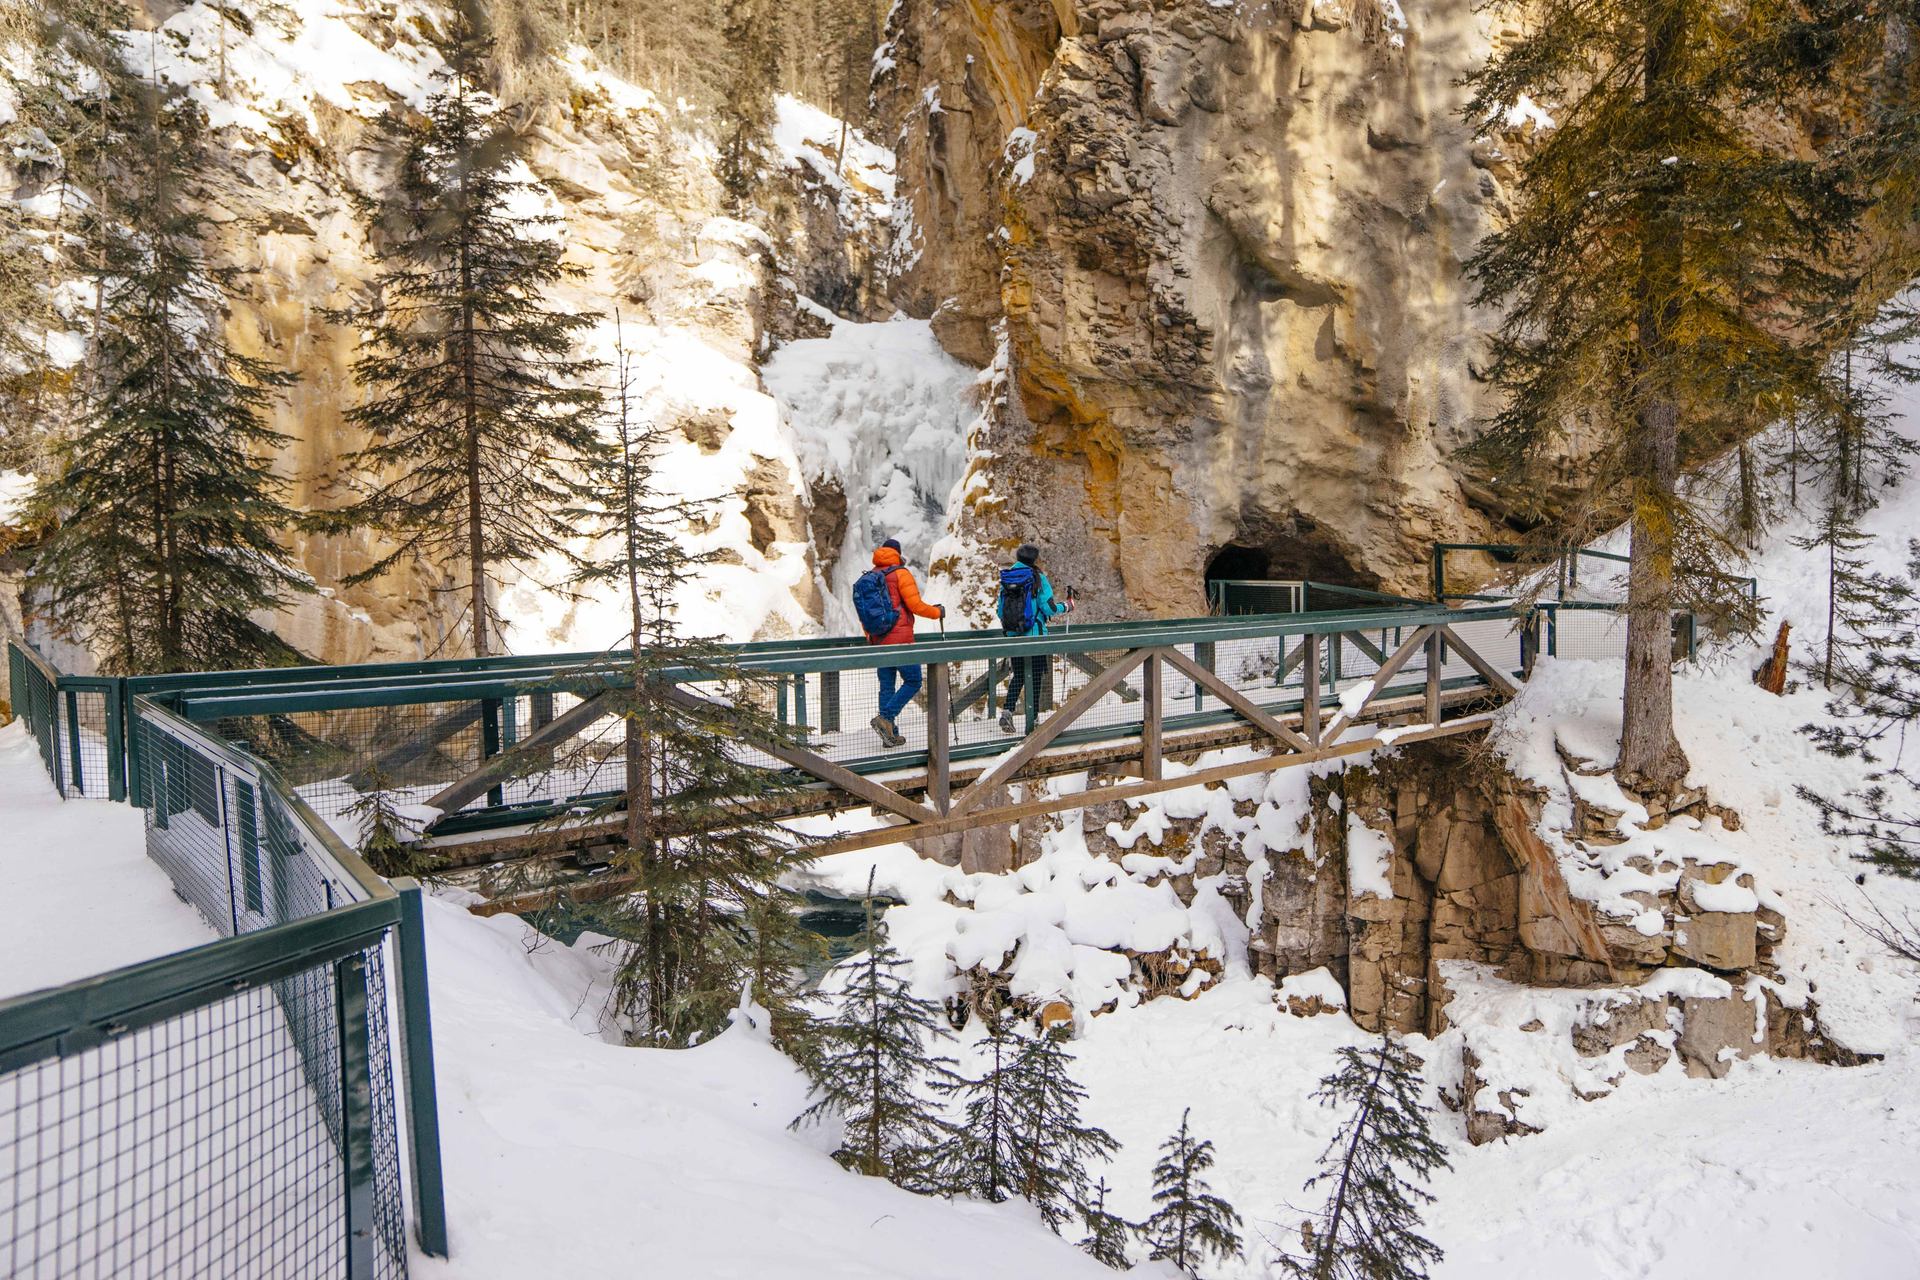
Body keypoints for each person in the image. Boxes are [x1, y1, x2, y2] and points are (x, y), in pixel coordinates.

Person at [852, 538, 945, 748]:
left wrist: (871, 636)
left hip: (879, 640)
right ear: (898, 554)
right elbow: (916, 605)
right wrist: (937, 612)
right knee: (913, 681)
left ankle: (890, 735)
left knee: (887, 685)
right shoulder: (901, 573)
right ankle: (885, 717)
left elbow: (865, 614)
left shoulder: (872, 576)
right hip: (901, 640)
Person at [994, 542, 1070, 733]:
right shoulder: (1038, 578)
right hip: (1035, 636)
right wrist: (1067, 606)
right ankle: (1033, 720)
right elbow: (1048, 608)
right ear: (1035, 560)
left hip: (1014, 635)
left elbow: (1000, 610)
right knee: (1035, 677)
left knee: (1018, 675)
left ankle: (1007, 712)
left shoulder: (1008, 577)